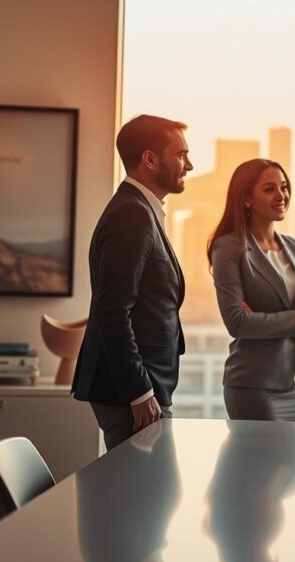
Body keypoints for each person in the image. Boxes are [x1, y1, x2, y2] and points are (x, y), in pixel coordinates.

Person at [72, 115, 192, 450]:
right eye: (181, 154)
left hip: (142, 387)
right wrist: (139, 392)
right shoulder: (132, 215)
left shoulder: (140, 209)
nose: (189, 165)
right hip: (133, 393)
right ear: (150, 159)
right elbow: (112, 311)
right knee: (145, 483)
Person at [208, 159, 295, 422]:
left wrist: (267, 320)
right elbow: (238, 323)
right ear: (246, 198)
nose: (281, 196)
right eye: (269, 189)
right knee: (259, 452)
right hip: (254, 385)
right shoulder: (229, 247)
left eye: (284, 187)